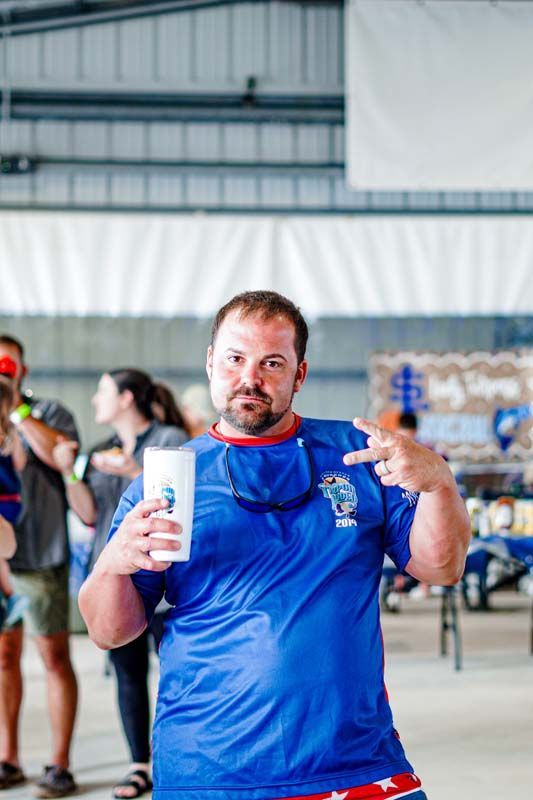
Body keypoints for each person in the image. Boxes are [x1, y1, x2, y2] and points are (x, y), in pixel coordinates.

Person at [79, 291, 470, 800]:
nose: (250, 378)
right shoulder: (169, 479)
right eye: (235, 359)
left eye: (272, 363)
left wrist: (438, 482)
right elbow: (111, 632)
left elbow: (440, 567)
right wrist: (112, 564)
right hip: (207, 768)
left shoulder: (361, 456)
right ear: (211, 363)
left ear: (299, 375)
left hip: (355, 761)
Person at [53, 369, 188, 799]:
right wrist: (69, 474)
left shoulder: (168, 437)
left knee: (177, 673)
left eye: (103, 391)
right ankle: (139, 764)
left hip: (167, 580)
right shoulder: (97, 451)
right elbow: (89, 514)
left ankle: (180, 757)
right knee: (128, 674)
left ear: (127, 398)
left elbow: (179, 497)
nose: (96, 400)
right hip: (118, 579)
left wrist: (132, 469)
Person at [0, 335, 80, 798]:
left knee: (53, 658)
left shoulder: (48, 413)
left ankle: (60, 763)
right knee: (5, 658)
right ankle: (8, 757)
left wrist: (18, 412)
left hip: (42, 554)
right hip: (2, 561)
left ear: (23, 370)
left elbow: (61, 456)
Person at [0, 363, 28, 630]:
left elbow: (20, 464)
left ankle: (10, 595)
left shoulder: (11, 432)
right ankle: (10, 595)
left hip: (7, 501)